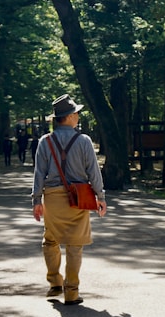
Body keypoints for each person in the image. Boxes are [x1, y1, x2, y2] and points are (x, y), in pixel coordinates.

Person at [32, 94, 107, 305]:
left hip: (53, 198)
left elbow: (39, 173)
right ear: (71, 116)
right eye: (77, 113)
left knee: (50, 240)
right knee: (75, 246)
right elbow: (94, 171)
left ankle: (55, 282)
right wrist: (100, 197)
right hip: (79, 198)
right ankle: (72, 292)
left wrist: (37, 200)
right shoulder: (84, 141)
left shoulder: (44, 142)